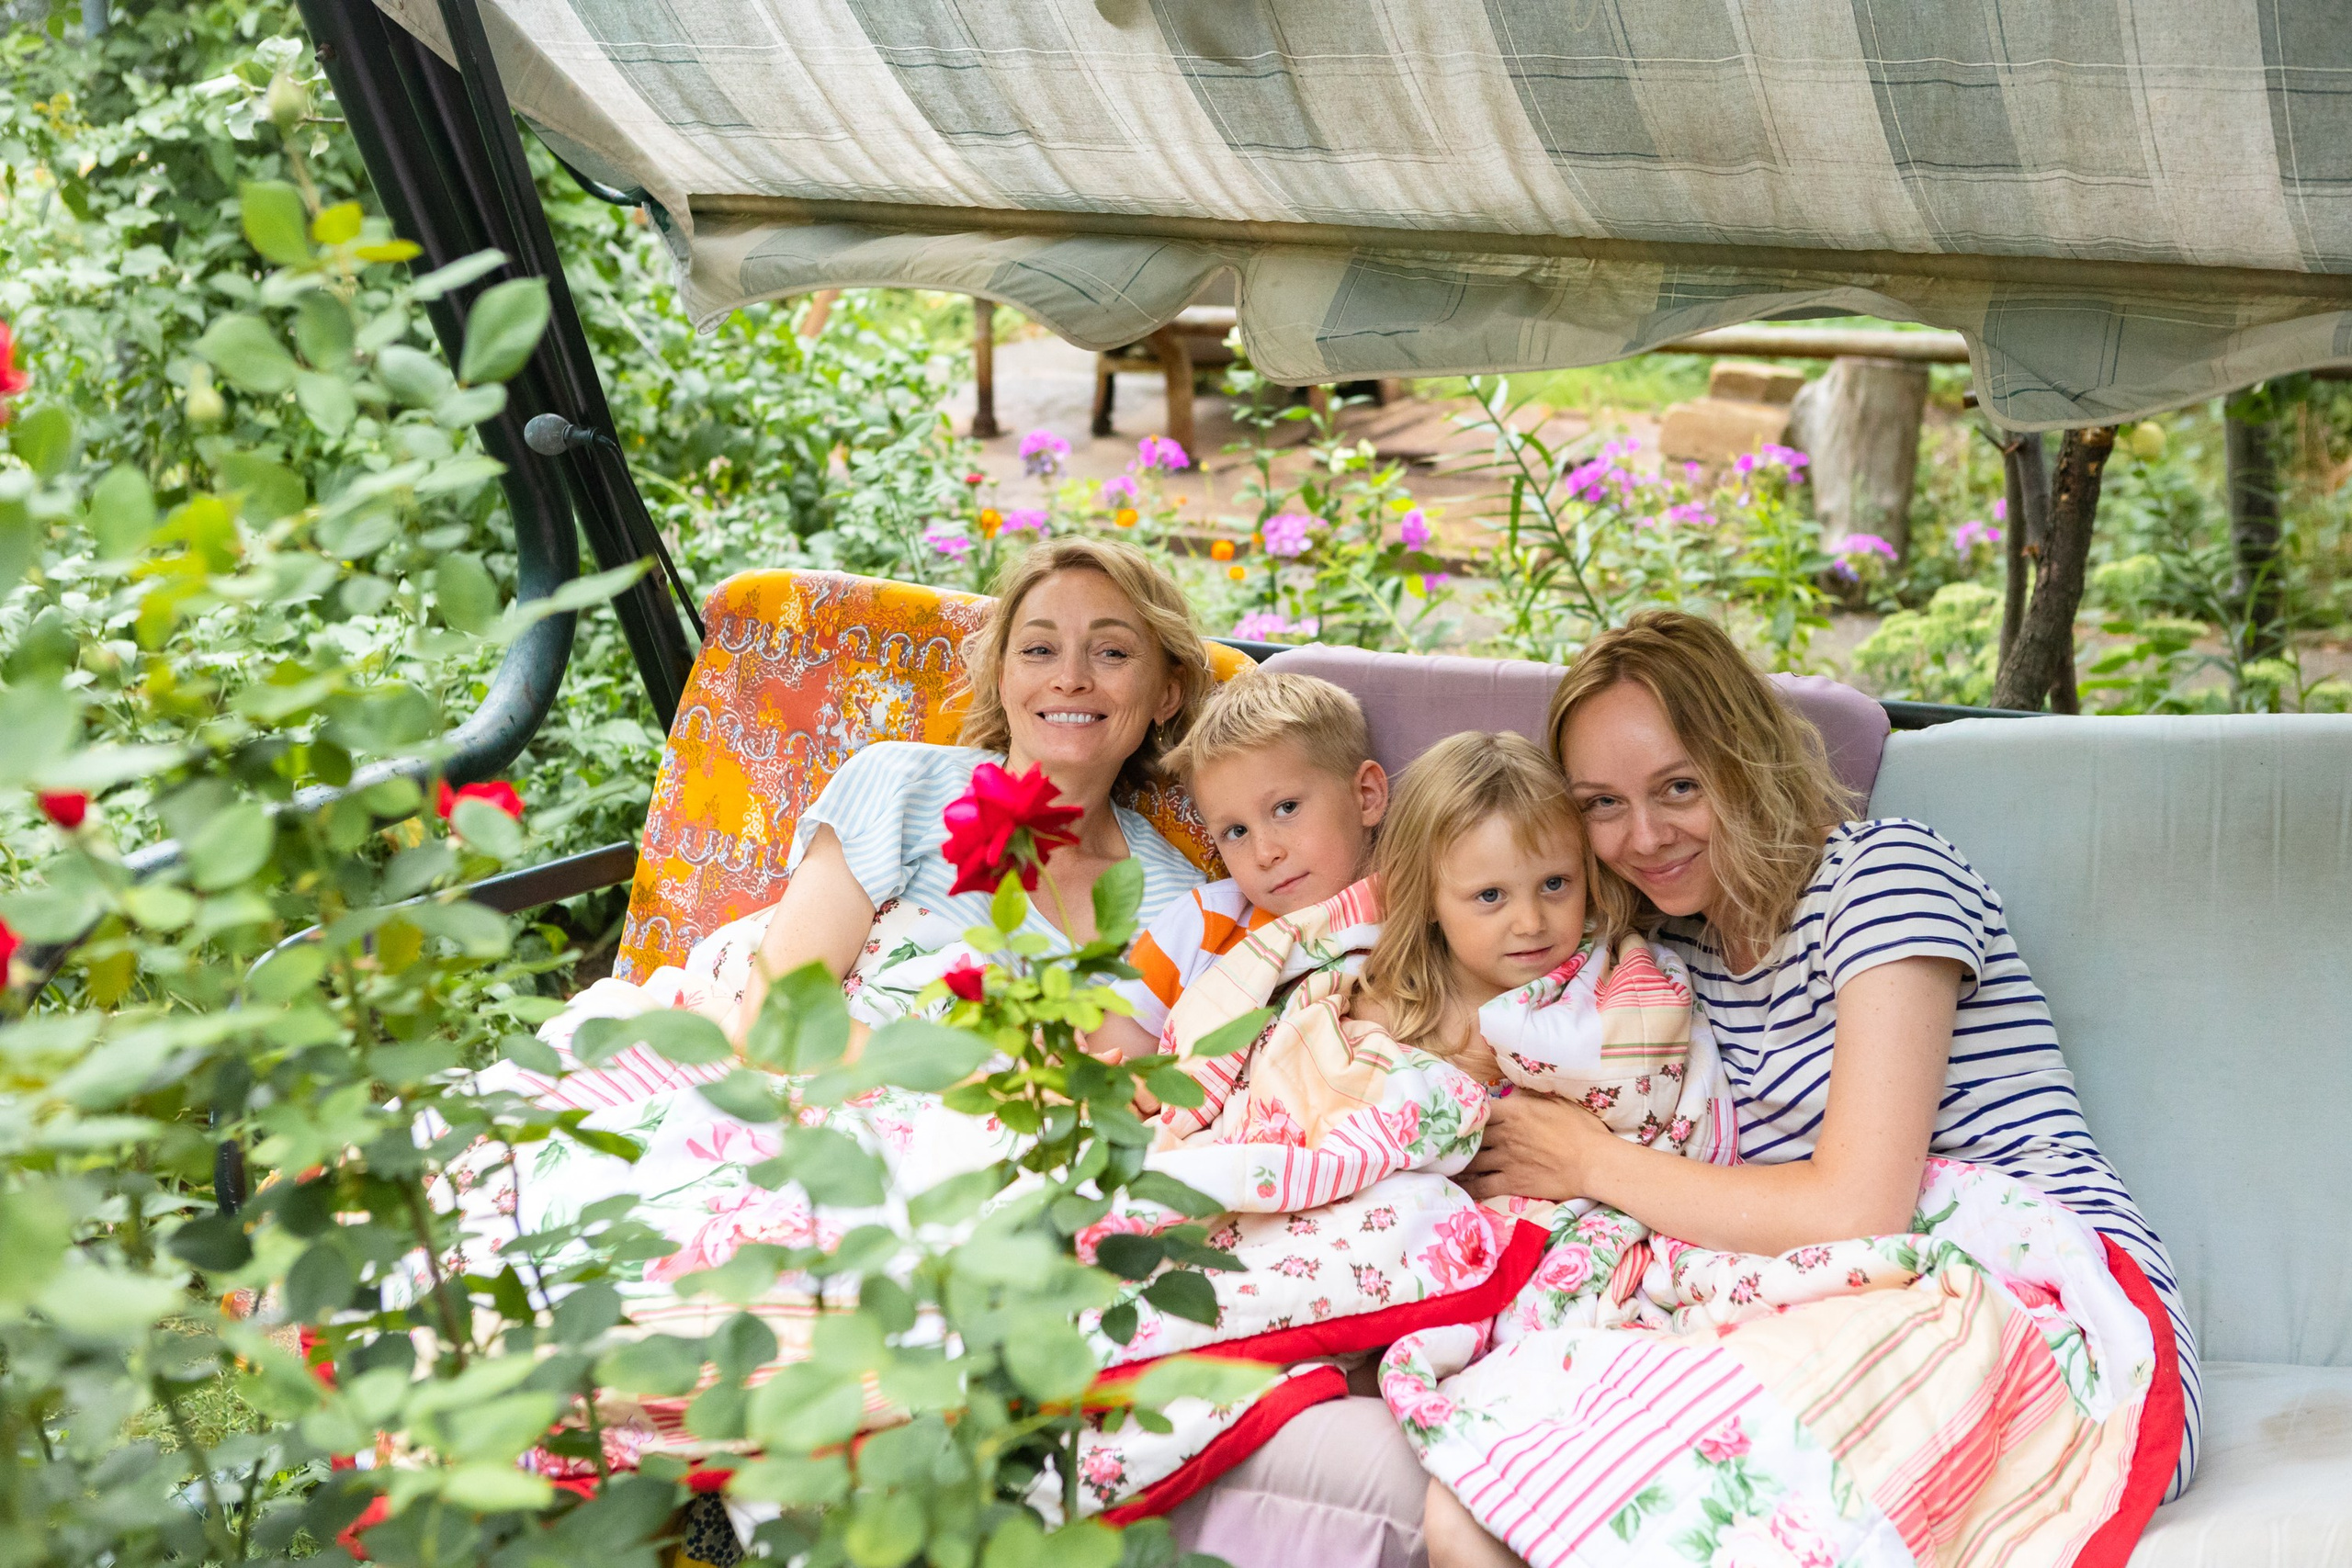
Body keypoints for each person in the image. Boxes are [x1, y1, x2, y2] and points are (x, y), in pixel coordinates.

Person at [1433, 609, 2196, 1568]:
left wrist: (1589, 1160)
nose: (1643, 836)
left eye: (1678, 787)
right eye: (1599, 804)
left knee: (1668, 1500)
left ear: (1745, 758)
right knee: (1468, 1505)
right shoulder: (1665, 959)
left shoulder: (1884, 877)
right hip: (1825, 1292)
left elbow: (1859, 1204)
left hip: (2027, 1293)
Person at [728, 536, 1213, 1039]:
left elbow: (1127, 1093)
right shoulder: (902, 787)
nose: (1070, 679)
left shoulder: (1178, 906)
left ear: (1168, 694)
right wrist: (976, 1077)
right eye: (1039, 649)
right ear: (1002, 678)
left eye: (1112, 653)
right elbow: (773, 1024)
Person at [1089, 671, 1389, 1064]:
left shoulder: (1419, 920)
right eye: (1235, 832)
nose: (1265, 853)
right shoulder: (1202, 926)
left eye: (1286, 808)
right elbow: (1109, 1062)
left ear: (1366, 796)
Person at [1352, 731, 1591, 1089]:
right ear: (1426, 899)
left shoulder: (1606, 991)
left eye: (1554, 884)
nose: (1530, 923)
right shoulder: (1387, 1021)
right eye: (1491, 895)